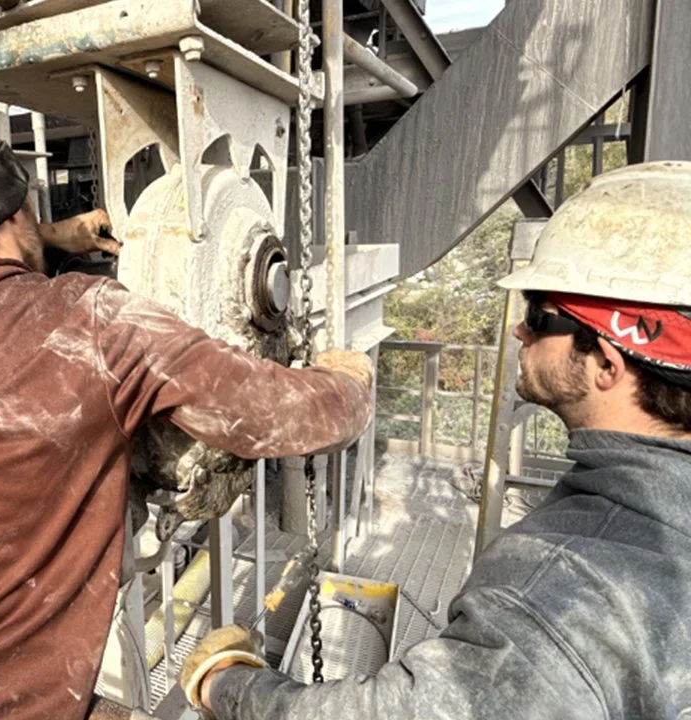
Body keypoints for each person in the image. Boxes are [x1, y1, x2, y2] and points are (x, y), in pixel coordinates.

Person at [0, 110, 375, 719]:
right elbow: (281, 415)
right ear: (12, 213)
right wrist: (350, 382)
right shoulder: (92, 324)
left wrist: (46, 236)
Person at [182, 160, 691, 720]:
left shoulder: (564, 592)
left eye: (540, 317)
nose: (520, 329)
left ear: (607, 364)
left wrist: (224, 684)